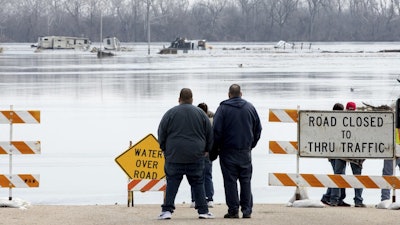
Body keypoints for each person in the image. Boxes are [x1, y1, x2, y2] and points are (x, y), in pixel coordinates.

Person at [157, 88, 214, 219]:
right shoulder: (201, 114)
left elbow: (161, 132)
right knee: (198, 182)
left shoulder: (170, 113)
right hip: (196, 154)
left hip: (174, 154)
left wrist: (164, 148)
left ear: (179, 99)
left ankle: (167, 211)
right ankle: (203, 211)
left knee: (172, 183)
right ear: (192, 100)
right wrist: (207, 149)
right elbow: (209, 133)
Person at [211, 84, 262, 219]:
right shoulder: (250, 108)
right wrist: (251, 145)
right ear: (241, 94)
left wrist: (214, 150)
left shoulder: (222, 109)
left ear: (229, 95)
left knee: (230, 181)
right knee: (246, 180)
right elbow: (258, 129)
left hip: (227, 151)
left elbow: (216, 131)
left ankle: (233, 210)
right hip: (245, 150)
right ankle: (247, 210)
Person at [330, 101, 366, 207]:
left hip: (344, 153)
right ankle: (357, 201)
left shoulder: (340, 119)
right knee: (355, 176)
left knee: (339, 175)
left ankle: (335, 200)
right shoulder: (360, 120)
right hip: (352, 154)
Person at [320, 103, 350, 207]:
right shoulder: (335, 121)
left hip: (338, 153)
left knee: (340, 175)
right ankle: (333, 198)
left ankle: (333, 197)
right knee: (338, 175)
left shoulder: (334, 121)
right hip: (336, 153)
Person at [190, 103, 215, 208]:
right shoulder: (213, 118)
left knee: (194, 176)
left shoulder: (194, 118)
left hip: (195, 150)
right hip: (208, 151)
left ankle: (195, 199)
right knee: (207, 175)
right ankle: (209, 199)